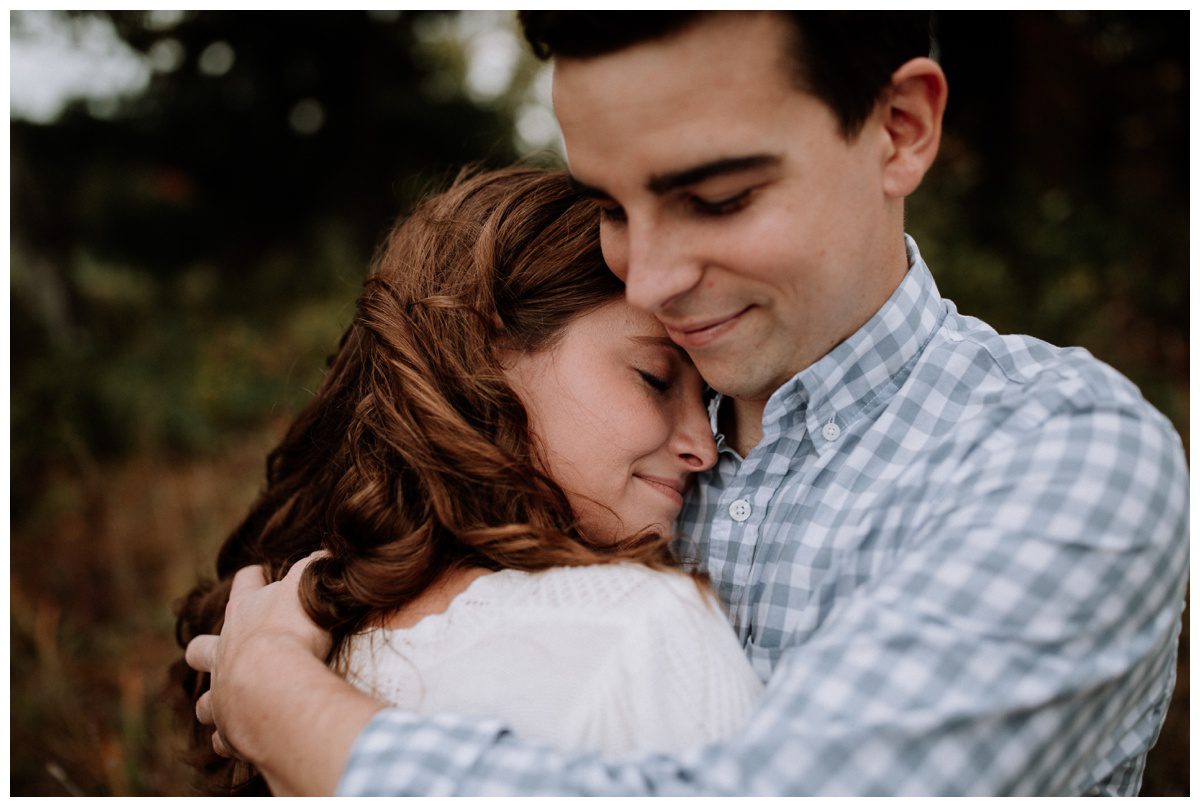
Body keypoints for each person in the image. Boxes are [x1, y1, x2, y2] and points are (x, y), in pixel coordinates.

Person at [186, 11, 1189, 796]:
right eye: (611, 207)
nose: (650, 278)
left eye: (717, 199)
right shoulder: (570, 456)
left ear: (901, 129)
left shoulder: (1063, 457)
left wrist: (281, 705)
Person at [174, 167, 762, 795]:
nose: (705, 447)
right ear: (484, 348)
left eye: (709, 404)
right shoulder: (649, 630)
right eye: (654, 378)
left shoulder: (275, 634)